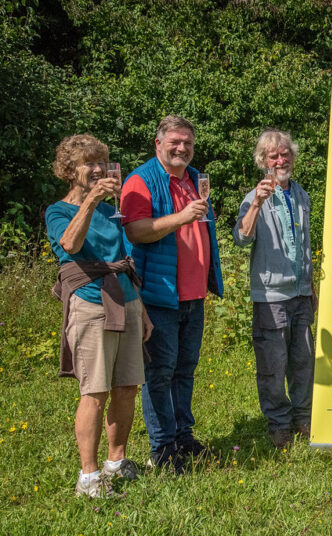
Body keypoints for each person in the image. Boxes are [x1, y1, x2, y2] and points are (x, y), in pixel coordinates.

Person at [46, 134, 151, 498]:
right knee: (95, 391)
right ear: (69, 169)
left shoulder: (112, 211)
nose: (97, 169)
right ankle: (88, 479)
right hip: (90, 302)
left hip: (125, 299)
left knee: (127, 386)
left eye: (101, 162)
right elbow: (71, 245)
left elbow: (125, 263)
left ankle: (116, 462)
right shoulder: (57, 211)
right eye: (88, 162)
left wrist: (143, 309)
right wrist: (90, 199)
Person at [121, 115, 223, 471]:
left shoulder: (196, 179)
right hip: (159, 294)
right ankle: (162, 450)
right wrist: (182, 217)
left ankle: (183, 436)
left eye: (188, 144)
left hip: (193, 295)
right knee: (160, 373)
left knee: (185, 370)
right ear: (158, 144)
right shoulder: (141, 180)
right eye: (175, 142)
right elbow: (135, 231)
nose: (182, 149)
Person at [233, 129, 316, 449]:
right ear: (262, 162)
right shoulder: (254, 197)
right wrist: (256, 203)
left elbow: (306, 244)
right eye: (273, 156)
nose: (280, 160)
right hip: (271, 296)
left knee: (303, 361)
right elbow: (242, 238)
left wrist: (310, 287)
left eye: (284, 154)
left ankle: (302, 418)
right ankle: (279, 424)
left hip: (300, 293)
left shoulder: (301, 195)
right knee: (273, 364)